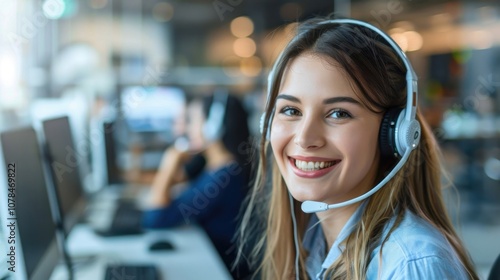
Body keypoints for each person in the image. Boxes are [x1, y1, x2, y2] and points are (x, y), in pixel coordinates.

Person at [237, 17, 479, 279]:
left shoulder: (410, 266)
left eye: (339, 113)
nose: (305, 138)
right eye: (291, 110)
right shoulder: (315, 242)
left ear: (394, 132)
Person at [142, 90, 252, 279]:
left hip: (222, 271)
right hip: (211, 262)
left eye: (193, 121)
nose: (188, 129)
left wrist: (171, 160)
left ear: (212, 127)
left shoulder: (224, 178)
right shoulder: (218, 168)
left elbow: (155, 219)